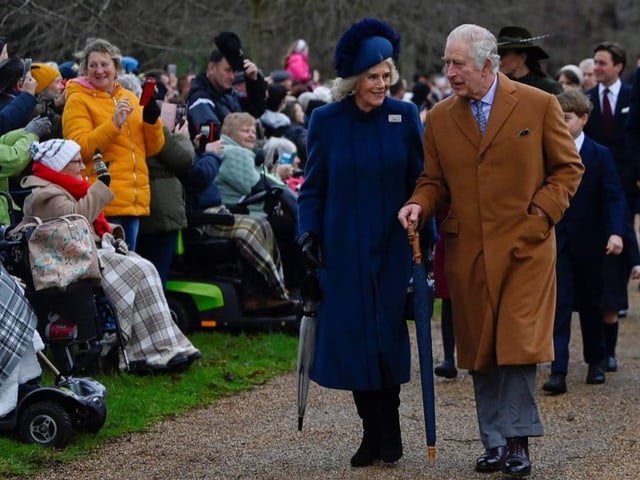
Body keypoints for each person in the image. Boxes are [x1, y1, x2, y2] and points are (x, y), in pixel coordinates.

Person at [397, 24, 584, 477]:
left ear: (487, 64)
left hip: (527, 247)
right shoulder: (439, 117)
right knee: (481, 347)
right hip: (470, 249)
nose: (450, 72)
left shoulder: (538, 105)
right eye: (447, 63)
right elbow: (434, 181)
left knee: (517, 343)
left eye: (457, 64)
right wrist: (418, 205)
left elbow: (567, 168)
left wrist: (541, 214)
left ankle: (518, 441)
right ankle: (495, 442)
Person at [297, 18, 423, 468]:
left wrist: (420, 218)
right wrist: (307, 232)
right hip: (343, 249)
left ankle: (389, 429)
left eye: (387, 75)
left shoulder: (404, 116)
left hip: (390, 248)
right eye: (373, 76)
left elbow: (421, 180)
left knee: (386, 338)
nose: (382, 84)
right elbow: (312, 187)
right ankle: (372, 434)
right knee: (353, 342)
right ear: (353, 80)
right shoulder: (326, 121)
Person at [21, 139, 201, 373]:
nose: (82, 168)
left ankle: (165, 347)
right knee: (140, 270)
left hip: (89, 253)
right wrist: (100, 187)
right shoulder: (45, 195)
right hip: (76, 260)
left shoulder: (64, 187)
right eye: (77, 162)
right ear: (60, 165)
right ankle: (146, 353)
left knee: (145, 267)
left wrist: (111, 232)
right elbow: (77, 221)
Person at [543, 89, 629, 395]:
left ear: (583, 119)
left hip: (592, 242)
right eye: (557, 118)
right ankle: (558, 369)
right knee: (560, 304)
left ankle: (596, 360)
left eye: (566, 118)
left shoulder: (599, 155)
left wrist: (616, 232)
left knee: (592, 304)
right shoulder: (548, 153)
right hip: (557, 241)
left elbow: (614, 197)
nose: (561, 124)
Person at [62, 38, 165, 250]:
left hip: (133, 204)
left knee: (129, 274)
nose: (99, 70)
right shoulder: (78, 100)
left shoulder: (130, 97)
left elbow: (153, 149)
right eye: (93, 65)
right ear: (85, 70)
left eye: (104, 64)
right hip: (102, 205)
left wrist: (152, 122)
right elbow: (78, 149)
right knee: (107, 277)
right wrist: (114, 123)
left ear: (116, 67)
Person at [180, 134, 291, 310]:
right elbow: (200, 175)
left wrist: (199, 149)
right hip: (202, 218)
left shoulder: (190, 151)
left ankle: (270, 290)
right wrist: (211, 155)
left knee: (262, 224)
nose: (252, 134)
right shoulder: (185, 153)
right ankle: (255, 294)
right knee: (252, 228)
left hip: (217, 209)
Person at [583, 41, 635, 370]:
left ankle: (610, 348)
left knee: (619, 251)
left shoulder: (632, 97)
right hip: (592, 188)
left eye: (602, 63)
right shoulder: (586, 102)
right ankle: (600, 348)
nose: (597, 68)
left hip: (627, 186)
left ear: (618, 66)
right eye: (596, 63)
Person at [185, 31, 267, 141]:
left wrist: (253, 81)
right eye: (228, 70)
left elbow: (255, 111)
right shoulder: (200, 100)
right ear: (212, 68)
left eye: (234, 71)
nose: (232, 77)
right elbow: (212, 137)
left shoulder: (227, 94)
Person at [496, 26, 563, 94]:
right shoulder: (495, 86)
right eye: (496, 54)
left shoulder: (549, 88)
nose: (498, 59)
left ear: (522, 57)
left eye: (503, 54)